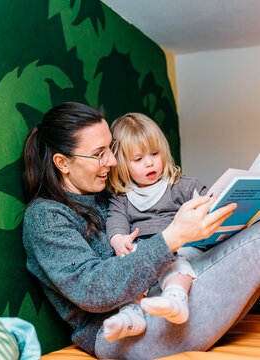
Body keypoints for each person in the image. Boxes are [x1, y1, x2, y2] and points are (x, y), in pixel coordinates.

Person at [22, 102, 260, 360]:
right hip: (122, 331)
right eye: (100, 153)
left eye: (111, 149)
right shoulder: (46, 217)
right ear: (62, 163)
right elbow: (92, 290)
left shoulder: (107, 194)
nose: (112, 162)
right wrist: (172, 237)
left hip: (170, 292)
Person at [103, 113, 207, 342]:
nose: (149, 162)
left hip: (180, 247)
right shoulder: (122, 198)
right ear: (122, 164)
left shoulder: (180, 186)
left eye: (154, 154)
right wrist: (118, 240)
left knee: (173, 259)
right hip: (143, 251)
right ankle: (130, 316)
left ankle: (176, 298)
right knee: (124, 267)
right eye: (138, 159)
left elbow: (207, 201)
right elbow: (115, 222)